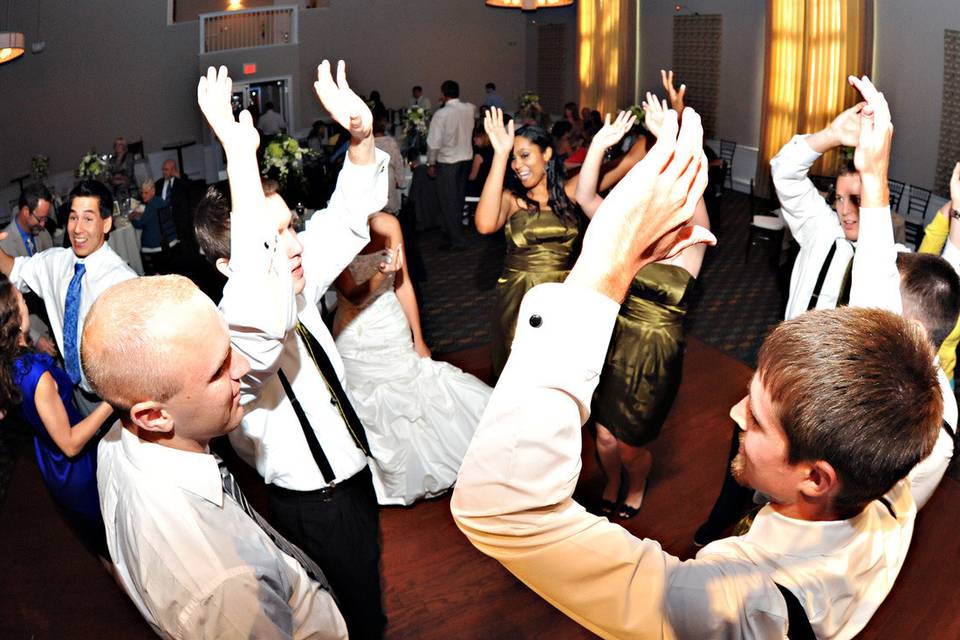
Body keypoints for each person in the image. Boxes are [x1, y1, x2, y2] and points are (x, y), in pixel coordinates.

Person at [452, 99, 942, 640]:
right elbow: (881, 322)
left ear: (816, 477)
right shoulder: (898, 485)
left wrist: (608, 260)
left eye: (756, 420)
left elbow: (500, 510)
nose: (735, 414)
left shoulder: (727, 607)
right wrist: (874, 182)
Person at [195, 62, 390, 639]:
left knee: (367, 605)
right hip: (309, 504)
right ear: (230, 264)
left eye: (289, 227)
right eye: (271, 237)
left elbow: (348, 215)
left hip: (354, 478)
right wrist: (237, 156)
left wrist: (361, 136)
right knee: (337, 621)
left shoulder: (296, 274)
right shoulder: (237, 323)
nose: (293, 243)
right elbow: (262, 308)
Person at [86, 275, 347, 639]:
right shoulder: (222, 585)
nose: (242, 367)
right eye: (219, 368)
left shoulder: (115, 443)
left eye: (230, 348)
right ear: (153, 416)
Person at [579, 104, 709, 519]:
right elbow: (584, 196)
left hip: (656, 357)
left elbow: (694, 187)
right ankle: (613, 480)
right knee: (603, 439)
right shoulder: (631, 237)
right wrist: (600, 144)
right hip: (615, 347)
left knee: (632, 445)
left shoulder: (691, 245)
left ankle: (635, 483)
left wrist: (673, 146)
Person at [333, 212, 492, 506]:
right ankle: (386, 477)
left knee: (414, 395)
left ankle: (429, 466)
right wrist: (383, 271)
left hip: (390, 324)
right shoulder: (333, 226)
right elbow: (351, 292)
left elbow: (403, 284)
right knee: (366, 407)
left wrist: (418, 338)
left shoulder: (389, 224)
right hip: (355, 336)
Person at [476, 106, 646, 378]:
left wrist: (661, 126)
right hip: (519, 301)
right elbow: (485, 225)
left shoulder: (571, 191)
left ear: (547, 154)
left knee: (558, 377)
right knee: (517, 379)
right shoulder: (511, 200)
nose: (517, 165)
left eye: (524, 155)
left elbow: (628, 163)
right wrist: (499, 154)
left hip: (563, 299)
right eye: (513, 158)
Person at [0, 179, 137, 416]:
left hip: (117, 396)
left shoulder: (121, 281)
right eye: (73, 217)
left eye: (88, 218)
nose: (77, 228)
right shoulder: (56, 262)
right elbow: (15, 270)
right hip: (75, 390)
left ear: (106, 224)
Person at [0, 276, 113, 558]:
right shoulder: (36, 377)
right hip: (76, 470)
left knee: (98, 542)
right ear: (14, 318)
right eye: (22, 300)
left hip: (50, 458)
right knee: (111, 548)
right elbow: (71, 443)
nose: (26, 302)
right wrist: (113, 401)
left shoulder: (9, 362)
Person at [917, 160, 960, 385]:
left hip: (940, 381)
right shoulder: (953, 214)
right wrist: (954, 208)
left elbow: (948, 314)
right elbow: (922, 264)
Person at [1, 185, 57, 356]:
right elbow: (8, 305)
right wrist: (34, 336)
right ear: (26, 211)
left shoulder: (43, 233)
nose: (43, 224)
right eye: (39, 218)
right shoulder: (4, 245)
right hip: (30, 327)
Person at [426, 79, 476, 250]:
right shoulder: (470, 108)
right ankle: (452, 233)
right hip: (466, 159)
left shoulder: (441, 114)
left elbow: (434, 143)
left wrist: (431, 163)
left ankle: (457, 240)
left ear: (443, 94)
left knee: (448, 201)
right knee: (458, 199)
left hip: (448, 162)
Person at [130, 179, 178, 275]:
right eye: (142, 192)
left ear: (153, 191)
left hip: (157, 245)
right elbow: (152, 219)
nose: (143, 195)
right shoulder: (161, 201)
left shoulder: (151, 206)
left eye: (146, 193)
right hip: (170, 239)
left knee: (136, 248)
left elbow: (139, 225)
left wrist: (132, 218)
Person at [373, 111, 405, 213]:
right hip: (388, 178)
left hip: (372, 179)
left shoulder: (367, 143)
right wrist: (401, 182)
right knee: (389, 211)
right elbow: (398, 163)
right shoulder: (390, 142)